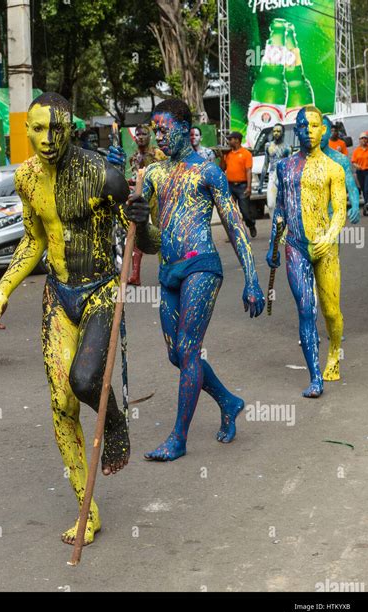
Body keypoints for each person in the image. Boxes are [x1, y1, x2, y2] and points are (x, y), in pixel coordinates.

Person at [0, 93, 131, 546]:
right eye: (38, 129)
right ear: (25, 129)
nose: (48, 140)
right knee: (61, 405)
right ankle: (86, 511)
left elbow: (145, 237)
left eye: (57, 129)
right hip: (58, 297)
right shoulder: (26, 177)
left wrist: (143, 219)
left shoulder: (100, 175)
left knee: (86, 380)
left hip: (101, 292)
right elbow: (33, 240)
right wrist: (4, 288)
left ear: (71, 129)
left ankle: (114, 423)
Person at [125, 98, 265, 461]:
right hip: (169, 271)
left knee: (187, 349)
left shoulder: (207, 171)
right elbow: (147, 241)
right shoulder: (153, 174)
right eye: (155, 130)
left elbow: (235, 226)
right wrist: (137, 217)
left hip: (202, 266)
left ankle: (178, 438)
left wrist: (252, 278)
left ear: (188, 131)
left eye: (164, 129)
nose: (159, 137)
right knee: (177, 354)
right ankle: (228, 400)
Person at [267, 106, 346, 398]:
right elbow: (281, 209)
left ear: (322, 130)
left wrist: (329, 235)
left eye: (314, 126)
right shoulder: (284, 167)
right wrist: (274, 243)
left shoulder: (333, 168)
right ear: (296, 130)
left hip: (324, 247)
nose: (309, 131)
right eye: (303, 126)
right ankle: (315, 376)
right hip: (295, 245)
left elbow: (340, 210)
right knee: (306, 310)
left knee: (331, 312)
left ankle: (335, 350)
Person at [127, 124, 166, 286]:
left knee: (159, 232)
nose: (140, 137)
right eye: (138, 134)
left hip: (157, 197)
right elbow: (135, 178)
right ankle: (135, 274)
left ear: (150, 137)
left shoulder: (159, 154)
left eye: (144, 134)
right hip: (141, 198)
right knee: (136, 234)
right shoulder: (134, 157)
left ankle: (165, 270)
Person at [322, 116, 360, 224]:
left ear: (329, 132)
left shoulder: (341, 159)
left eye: (324, 129)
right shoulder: (302, 160)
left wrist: (355, 206)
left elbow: (351, 187)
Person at [218, 131, 257, 238]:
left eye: (230, 139)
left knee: (245, 212)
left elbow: (248, 171)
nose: (229, 141)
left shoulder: (246, 154)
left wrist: (249, 187)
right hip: (230, 186)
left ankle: (251, 225)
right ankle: (234, 234)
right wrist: (222, 157)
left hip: (242, 186)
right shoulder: (228, 153)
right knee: (231, 211)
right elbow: (222, 168)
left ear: (237, 140)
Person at [257, 123, 291, 214]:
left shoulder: (287, 147)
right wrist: (260, 184)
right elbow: (265, 164)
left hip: (283, 176)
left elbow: (290, 166)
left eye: (278, 131)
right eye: (274, 131)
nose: (276, 133)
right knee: (271, 204)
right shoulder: (268, 146)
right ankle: (274, 225)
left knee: (284, 204)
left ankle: (284, 226)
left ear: (283, 133)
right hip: (272, 176)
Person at [351, 132, 368, 216]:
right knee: (363, 189)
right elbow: (353, 161)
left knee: (367, 189)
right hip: (360, 172)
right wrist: (356, 166)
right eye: (362, 138)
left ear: (367, 140)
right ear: (359, 140)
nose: (364, 140)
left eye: (365, 138)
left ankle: (366, 206)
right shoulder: (356, 151)